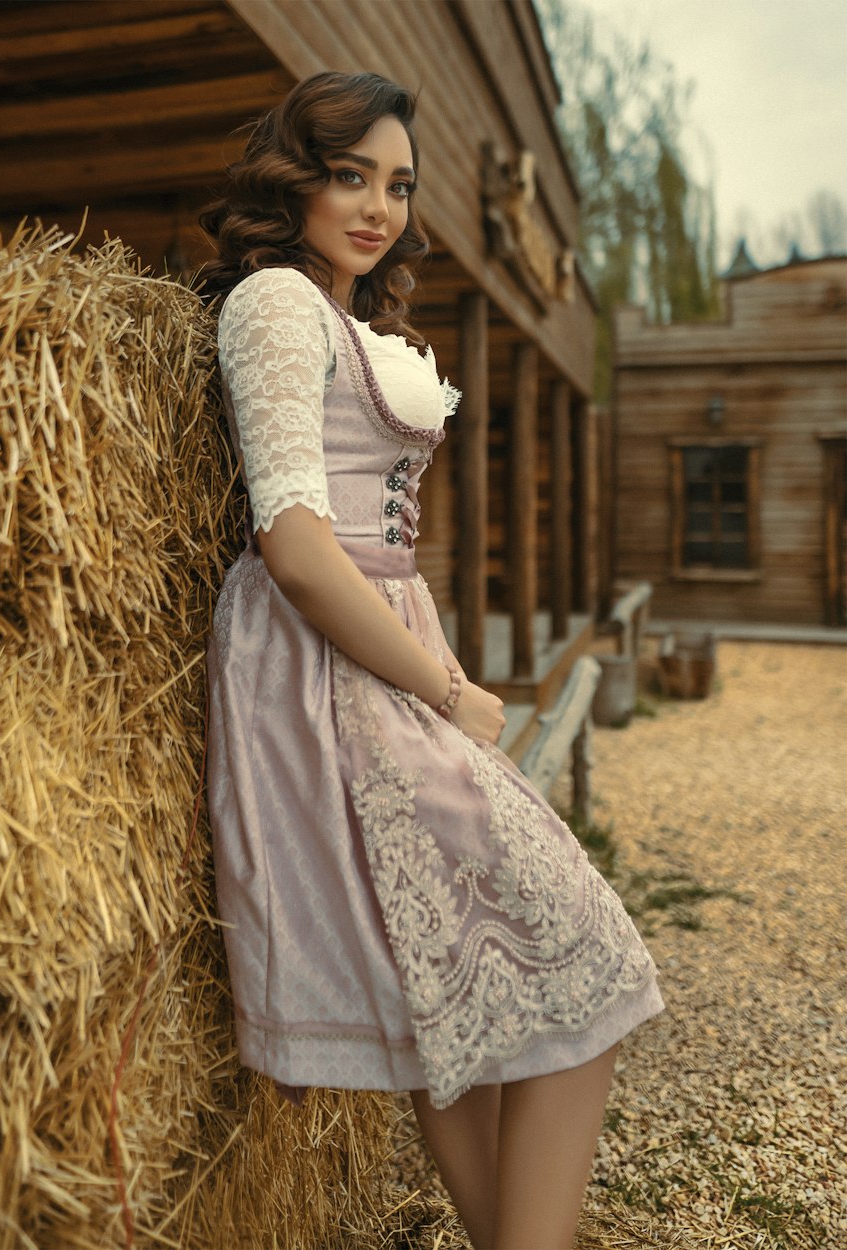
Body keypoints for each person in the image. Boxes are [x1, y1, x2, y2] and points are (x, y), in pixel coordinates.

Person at [199, 70, 663, 1250]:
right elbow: (298, 545)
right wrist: (447, 688)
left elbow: (379, 543)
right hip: (328, 665)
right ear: (291, 176)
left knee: (454, 990)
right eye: (348, 175)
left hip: (389, 644)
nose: (377, 207)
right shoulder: (271, 305)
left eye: (397, 185)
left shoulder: (351, 321)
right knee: (586, 952)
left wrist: (434, 656)